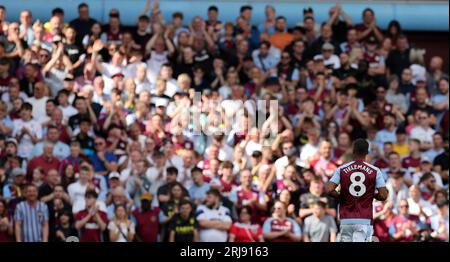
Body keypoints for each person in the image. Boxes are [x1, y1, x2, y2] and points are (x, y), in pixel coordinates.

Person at [326, 138, 388, 242]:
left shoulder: (341, 169)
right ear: (367, 152)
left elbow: (329, 189)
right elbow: (383, 195)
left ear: (353, 151)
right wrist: (371, 195)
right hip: (365, 218)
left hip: (346, 218)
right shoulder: (375, 171)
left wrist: (342, 195)